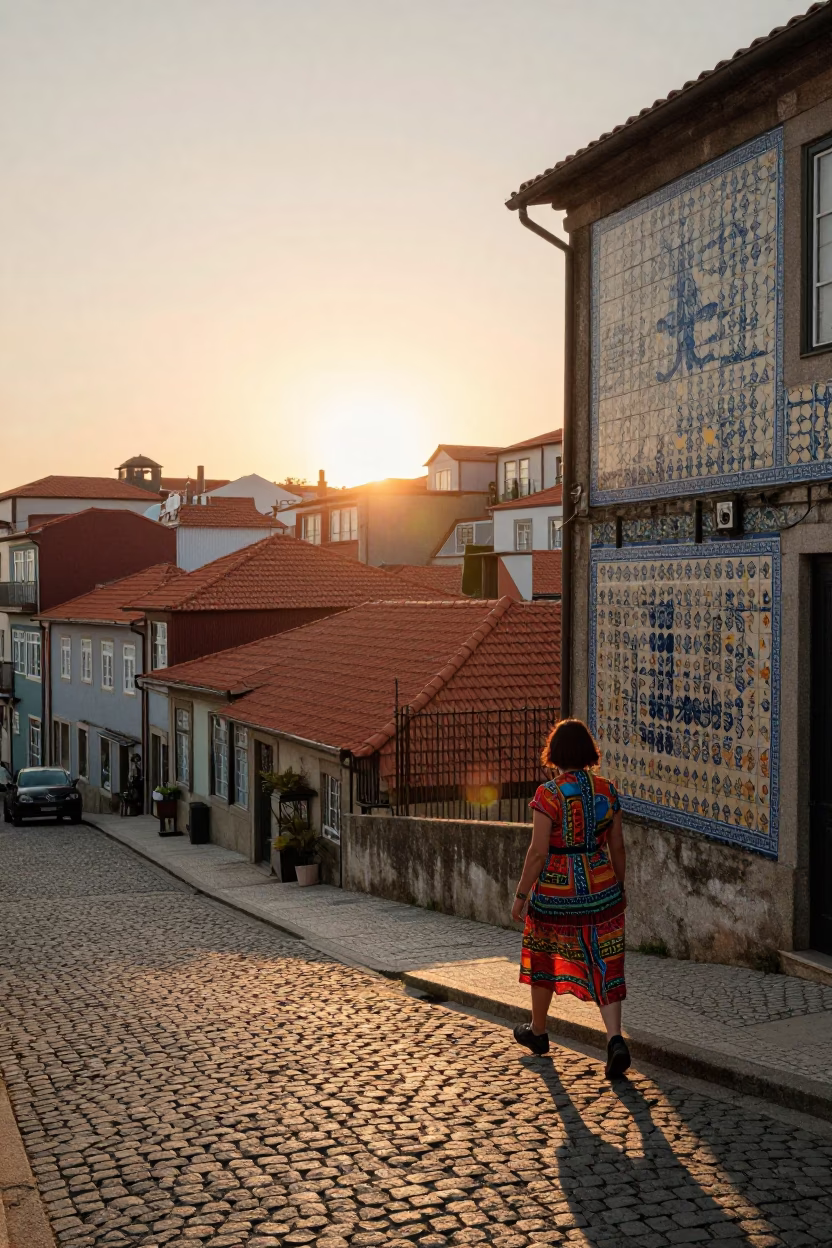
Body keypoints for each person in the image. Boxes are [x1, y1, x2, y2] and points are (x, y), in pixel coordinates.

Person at [511, 717, 630, 1079]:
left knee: (542, 955)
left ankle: (538, 1031)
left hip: (557, 891)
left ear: (556, 754)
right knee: (604, 959)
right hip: (603, 887)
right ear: (588, 753)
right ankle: (614, 1040)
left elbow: (537, 852)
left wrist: (521, 894)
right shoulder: (608, 790)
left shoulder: (548, 795)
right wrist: (619, 887)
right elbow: (619, 846)